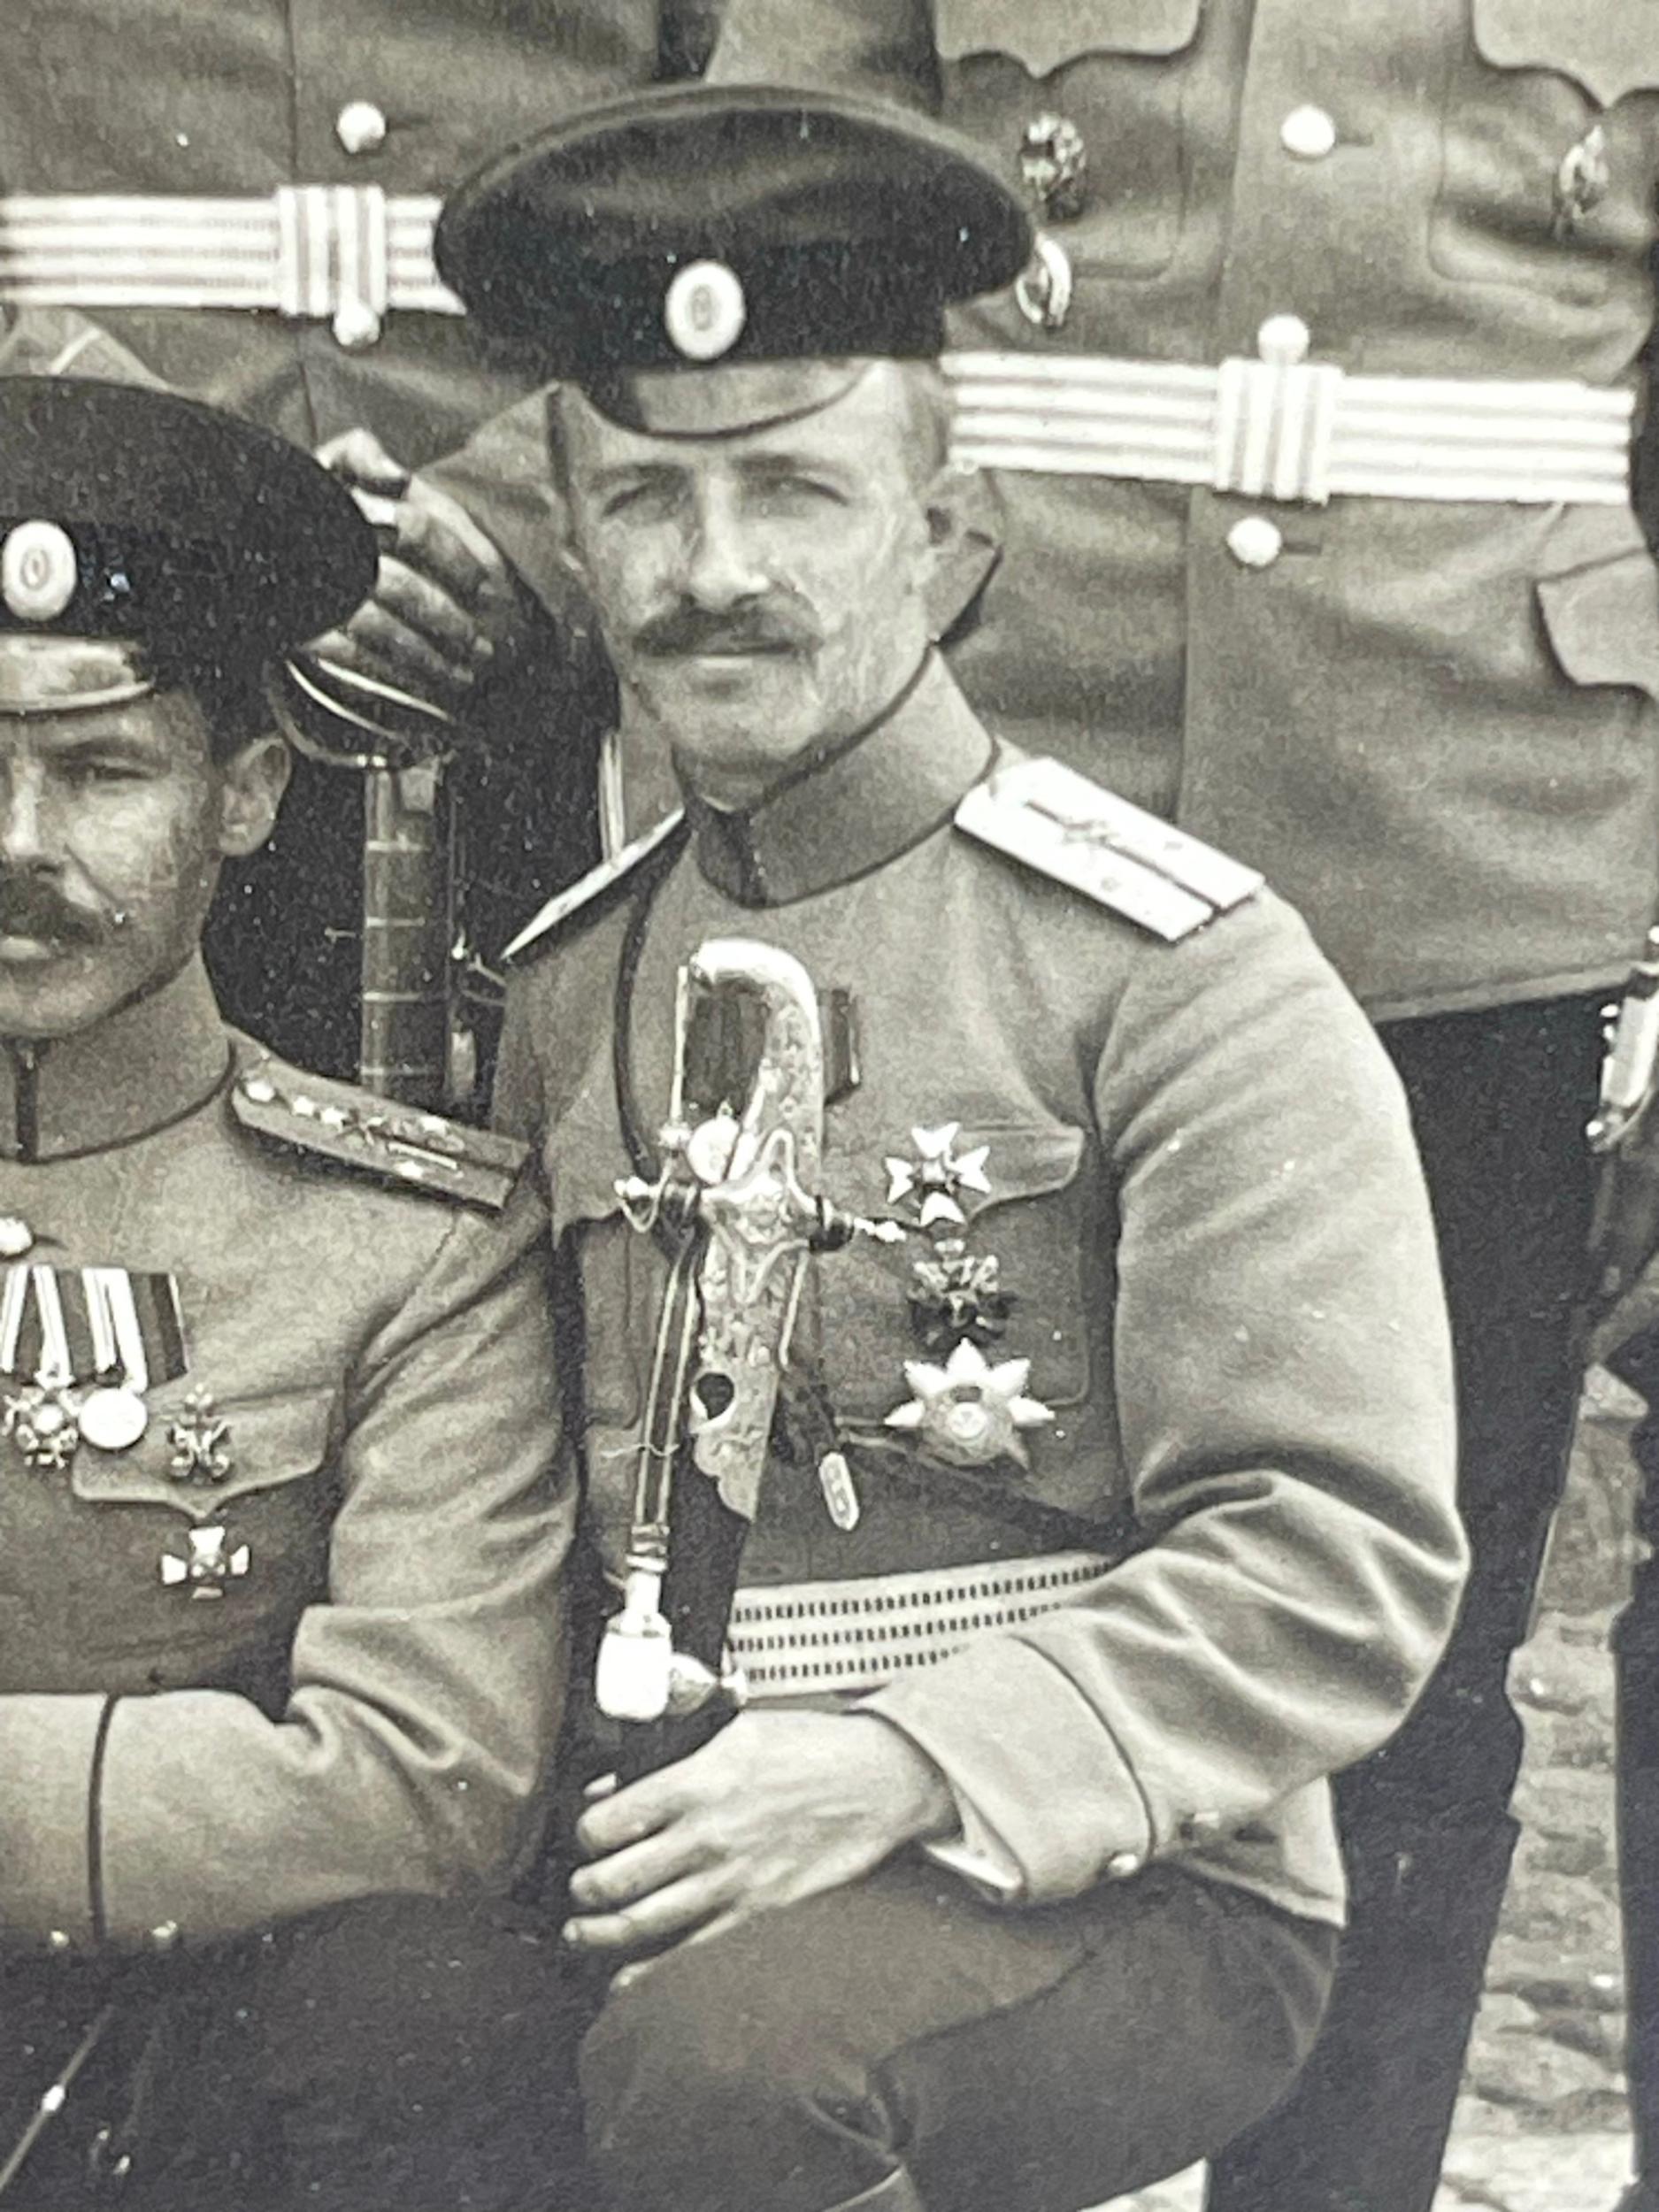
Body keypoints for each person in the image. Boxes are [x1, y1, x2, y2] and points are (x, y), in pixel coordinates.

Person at [439, 82, 1468, 2212]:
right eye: (643, 502)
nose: (712, 574)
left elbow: (1331, 1560)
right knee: (356, 2018)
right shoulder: (565, 986)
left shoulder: (1171, 971)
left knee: (732, 2073)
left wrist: (903, 1760)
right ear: (576, 536)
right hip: (680, 1821)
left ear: (943, 527)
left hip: (1122, 1856)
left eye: (793, 492)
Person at [675, 10, 1659, 2207]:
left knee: (1409, 1666)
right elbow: (765, 196)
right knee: (880, 1590)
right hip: (991, 813)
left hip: (1475, 859)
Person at [0, 375, 575, 2212]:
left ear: (243, 795)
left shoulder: (408, 1243)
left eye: (102, 771)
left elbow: (425, 1774)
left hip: (185, 2041)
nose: (18, 839)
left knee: (430, 2011)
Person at [0, 0, 711, 1081]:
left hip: (546, 688)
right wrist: (176, 502)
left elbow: (771, 162)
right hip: (85, 659)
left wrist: (517, 513)